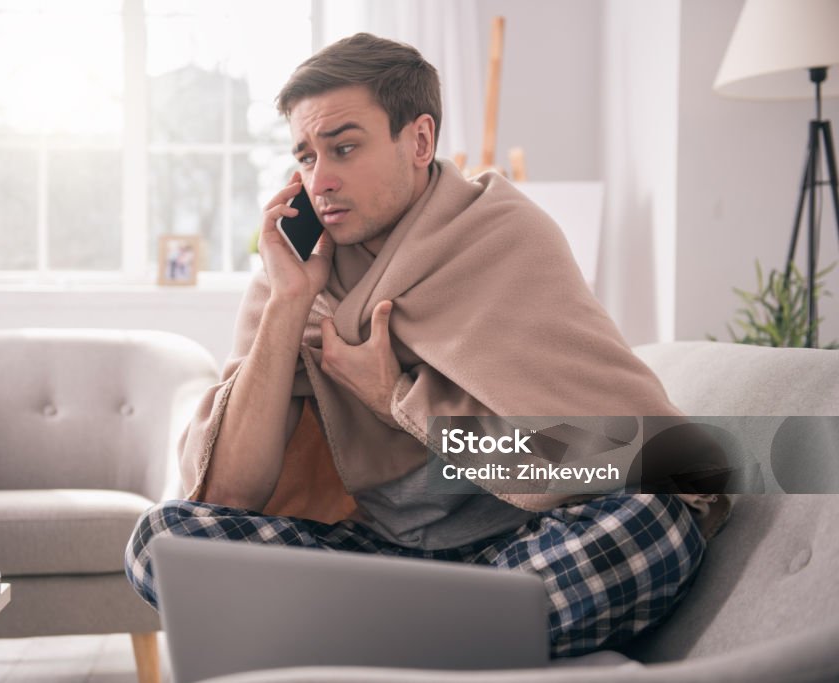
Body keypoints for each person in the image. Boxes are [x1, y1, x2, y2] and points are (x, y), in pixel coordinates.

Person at [126, 33, 727, 658]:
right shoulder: (297, 273)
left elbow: (609, 458)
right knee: (163, 541)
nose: (319, 181)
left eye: (345, 148)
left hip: (527, 547)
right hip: (379, 564)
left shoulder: (502, 236)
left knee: (654, 522)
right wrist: (287, 302)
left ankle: (374, 646)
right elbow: (227, 495)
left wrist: (396, 400)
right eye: (305, 158)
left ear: (419, 141)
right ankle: (448, 642)